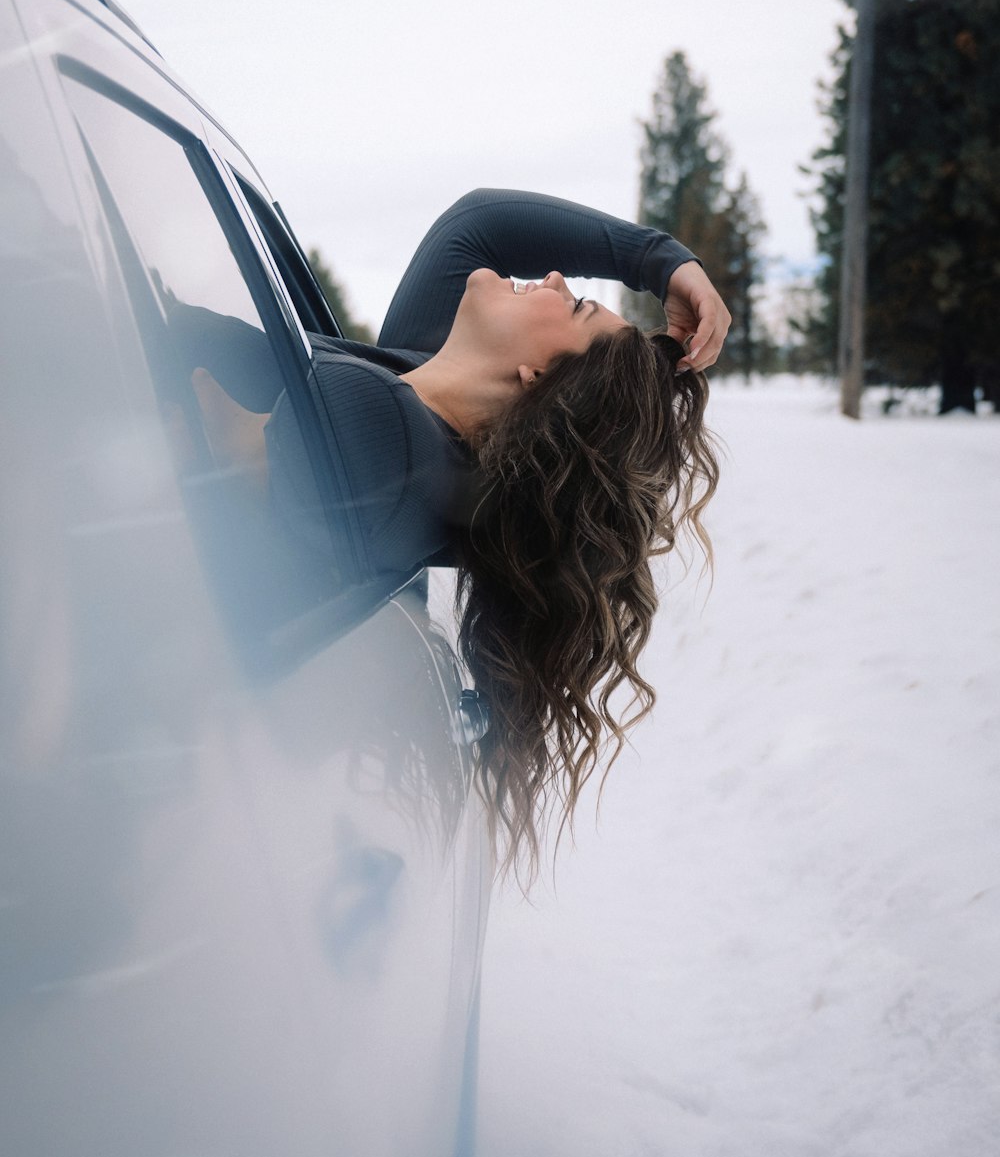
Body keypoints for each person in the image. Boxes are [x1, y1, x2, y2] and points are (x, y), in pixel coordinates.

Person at [185, 189, 726, 875]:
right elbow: (480, 225)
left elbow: (223, 447)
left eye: (578, 306)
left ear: (538, 384)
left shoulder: (395, 453)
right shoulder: (415, 398)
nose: (558, 279)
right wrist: (661, 261)